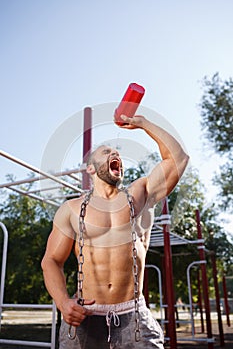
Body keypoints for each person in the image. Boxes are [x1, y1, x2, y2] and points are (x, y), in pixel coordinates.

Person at [41, 114, 189, 348]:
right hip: (85, 315)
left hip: (132, 314)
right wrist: (62, 302)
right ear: (90, 168)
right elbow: (51, 260)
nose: (115, 154)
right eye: (105, 152)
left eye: (117, 152)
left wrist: (143, 124)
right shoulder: (70, 210)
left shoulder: (139, 195)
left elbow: (178, 159)